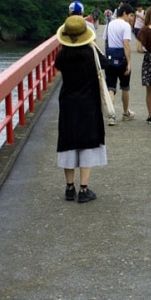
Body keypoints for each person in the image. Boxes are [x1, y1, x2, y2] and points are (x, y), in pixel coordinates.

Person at [53, 14, 106, 202]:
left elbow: (57, 66)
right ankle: (84, 190)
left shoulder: (62, 55)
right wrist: (94, 46)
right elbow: (105, 63)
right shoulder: (91, 54)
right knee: (87, 142)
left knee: (68, 141)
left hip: (67, 102)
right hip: (88, 103)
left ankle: (69, 188)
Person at [102, 2, 135, 124]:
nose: (131, 18)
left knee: (111, 88)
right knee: (125, 87)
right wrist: (129, 63)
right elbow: (126, 44)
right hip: (122, 58)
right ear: (124, 13)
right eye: (131, 15)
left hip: (110, 58)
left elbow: (105, 41)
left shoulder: (109, 24)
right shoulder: (125, 26)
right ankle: (126, 113)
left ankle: (111, 116)